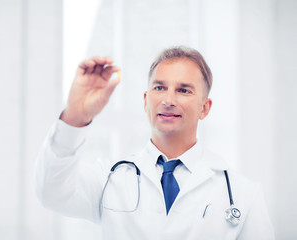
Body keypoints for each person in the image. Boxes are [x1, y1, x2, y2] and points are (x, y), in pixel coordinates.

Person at [35, 46, 274, 239]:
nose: (168, 100)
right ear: (146, 100)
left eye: (184, 90)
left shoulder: (244, 195)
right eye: (160, 87)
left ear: (205, 108)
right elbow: (51, 192)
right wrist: (76, 116)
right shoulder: (109, 178)